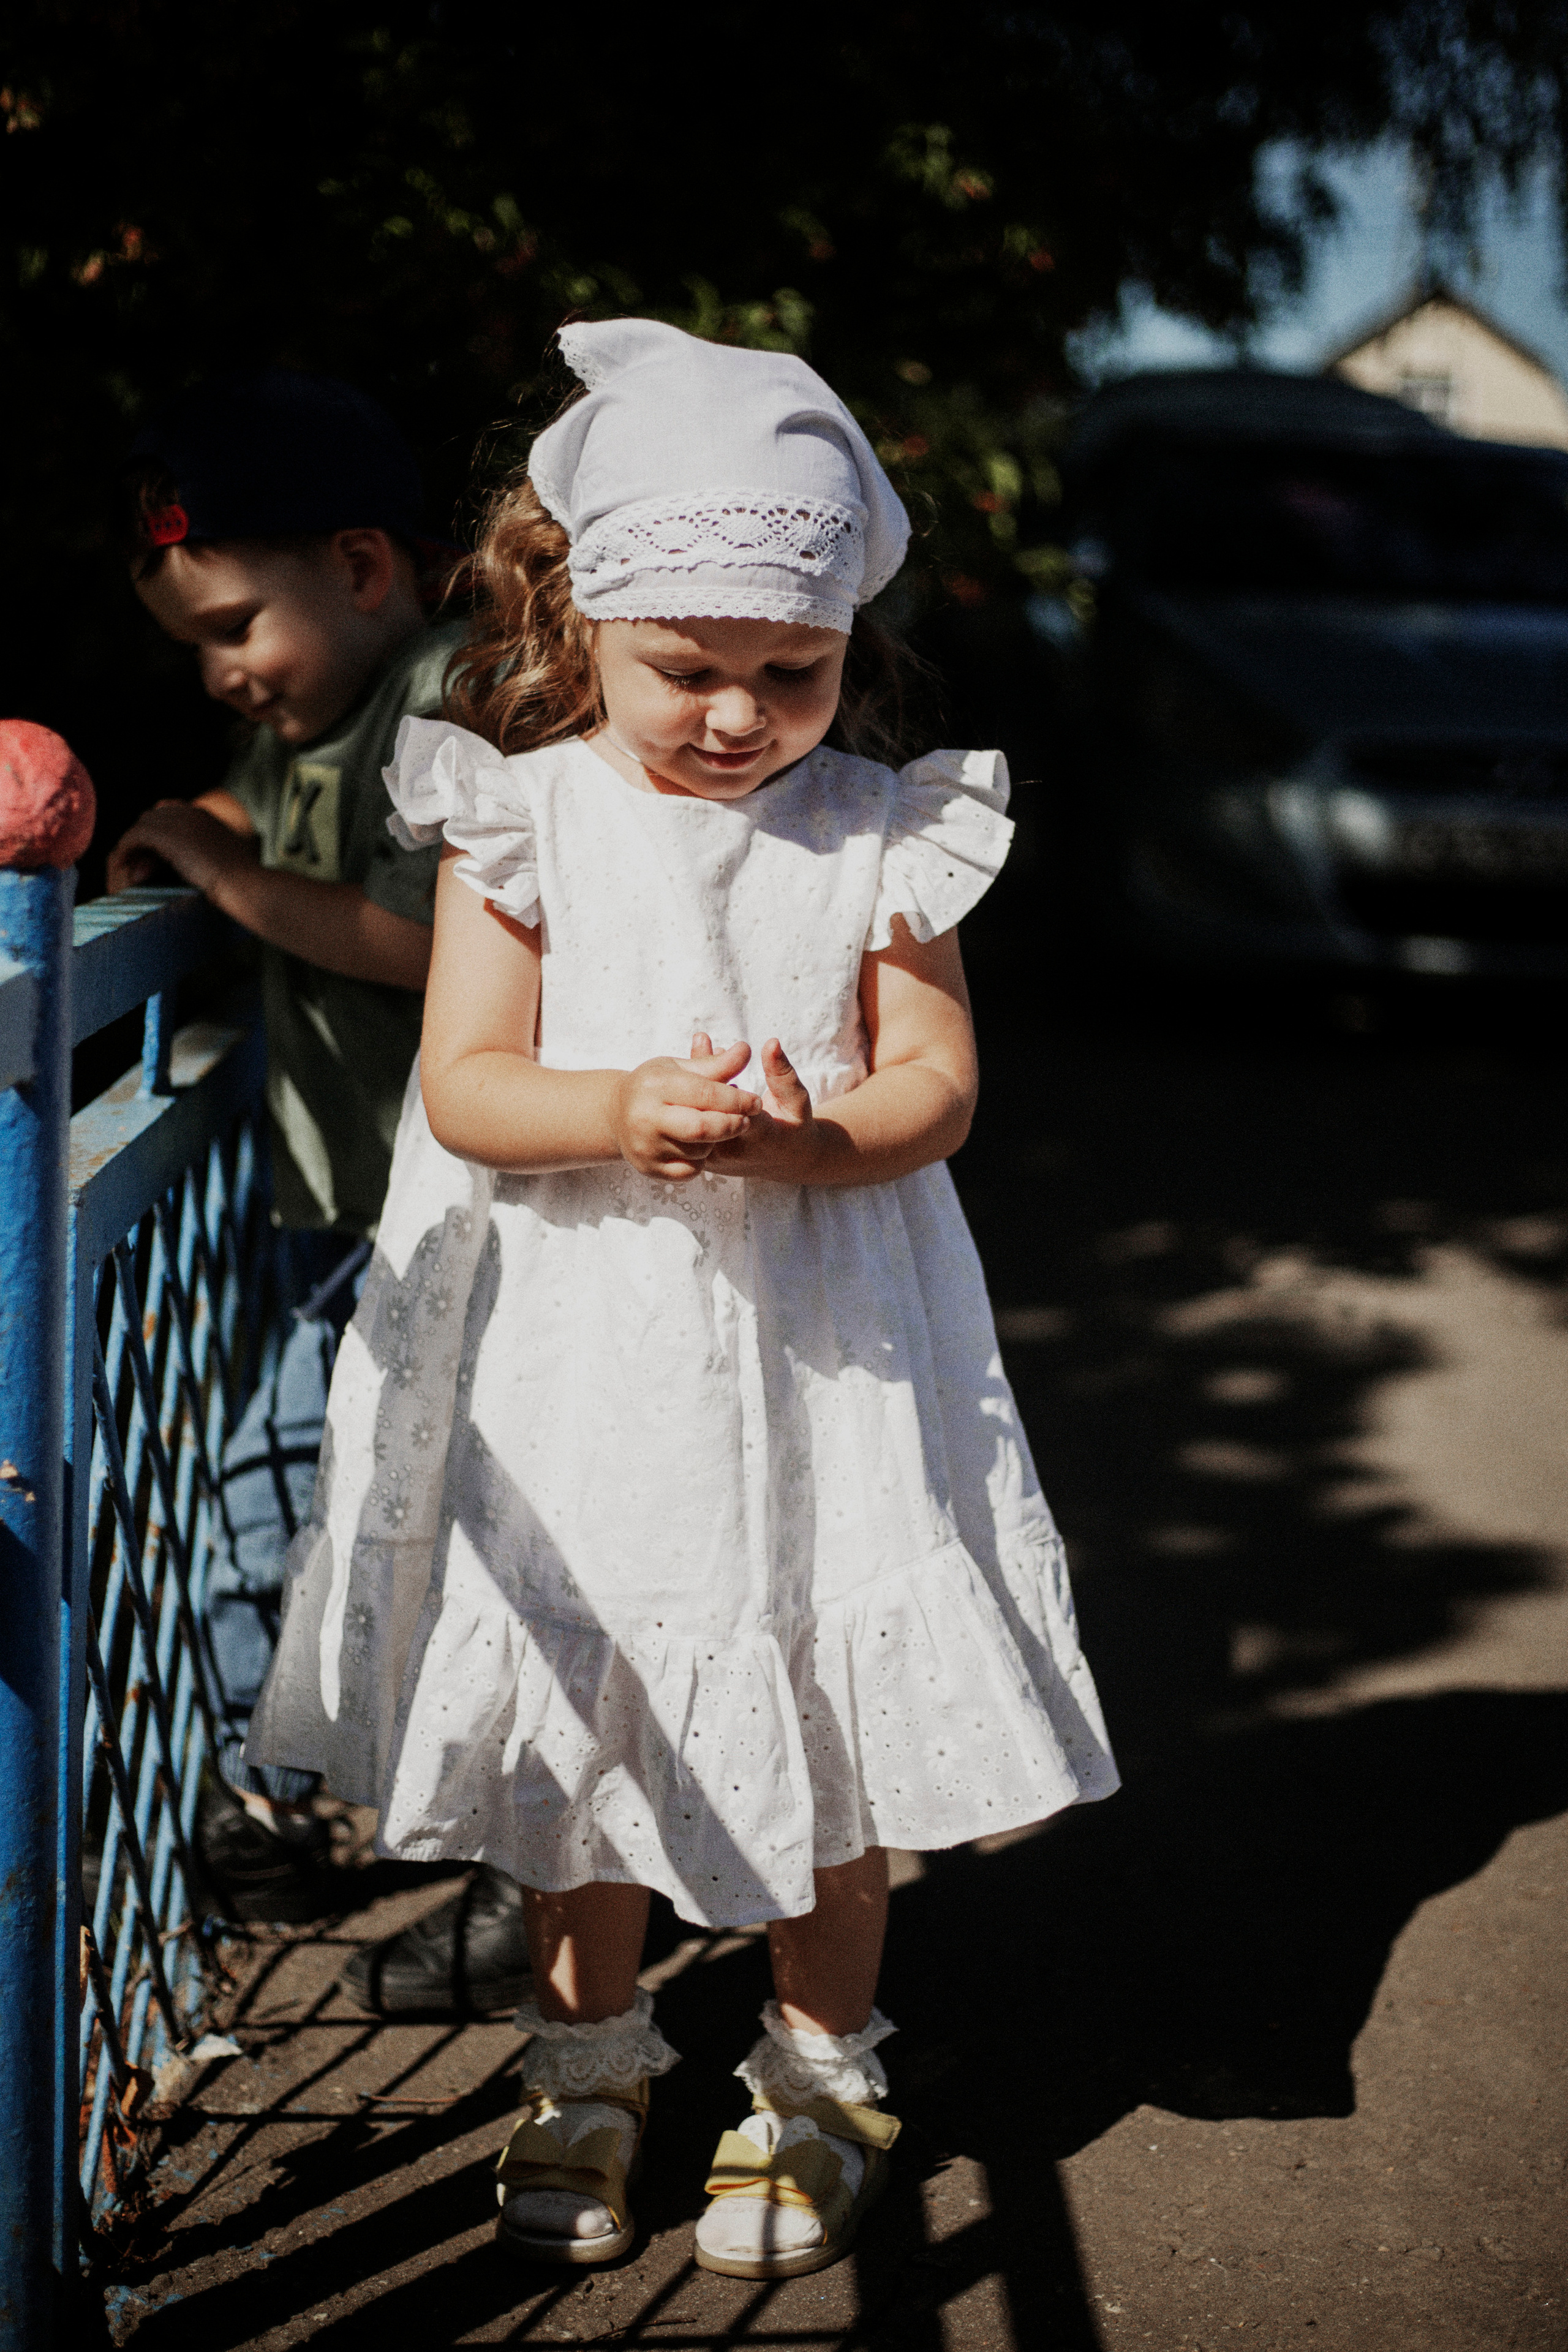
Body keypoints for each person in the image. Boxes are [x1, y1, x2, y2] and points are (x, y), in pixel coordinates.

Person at [246, 318, 1118, 2278]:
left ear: (848, 651)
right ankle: (592, 2061)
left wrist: (819, 1146)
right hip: (591, 1352)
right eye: (688, 672)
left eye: (789, 674)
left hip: (820, 1349)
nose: (737, 717)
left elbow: (936, 1088)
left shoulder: (883, 832)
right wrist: (619, 1105)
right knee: (588, 1712)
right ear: (585, 627)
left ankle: (819, 2072)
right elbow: (469, 1082)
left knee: (817, 1704)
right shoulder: (522, 816)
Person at [109, 369, 533, 2013]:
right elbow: (264, 800)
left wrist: (225, 875)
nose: (224, 674)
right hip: (335, 1209)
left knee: (413, 1519)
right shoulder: (315, 707)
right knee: (286, 1489)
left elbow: (433, 945)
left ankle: (420, 1834)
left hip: (436, 1218)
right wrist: (193, 822)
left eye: (235, 628)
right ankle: (274, 1798)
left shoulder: (439, 699)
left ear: (363, 567)